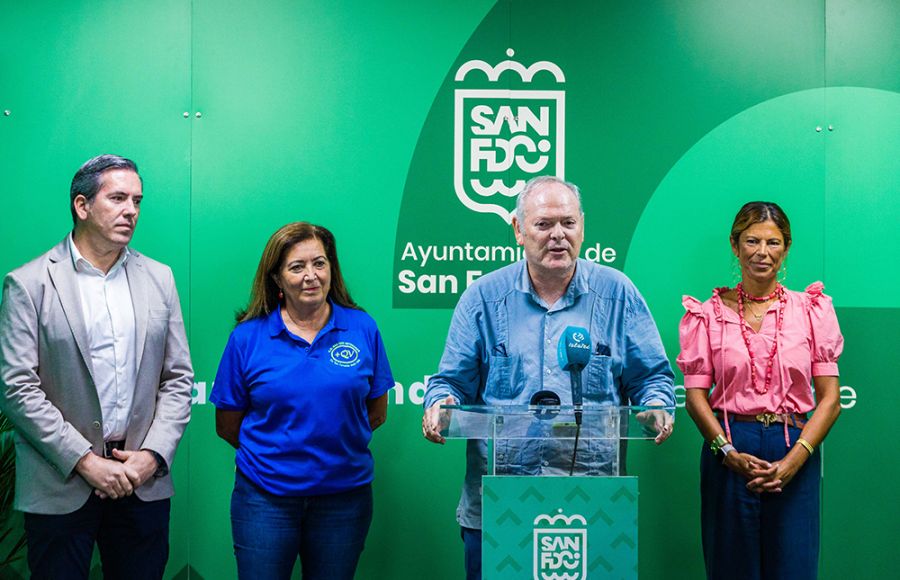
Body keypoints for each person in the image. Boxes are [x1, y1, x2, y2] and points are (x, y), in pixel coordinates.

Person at [422, 175, 676, 580]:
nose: (558, 235)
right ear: (519, 230)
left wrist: (656, 407)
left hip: (593, 503)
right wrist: (441, 404)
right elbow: (449, 383)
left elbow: (653, 380)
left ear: (582, 226)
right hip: (500, 504)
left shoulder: (618, 294)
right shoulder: (483, 299)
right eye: (543, 224)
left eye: (568, 223)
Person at [0, 154, 194, 580]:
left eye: (138, 201)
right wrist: (86, 461)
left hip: (141, 481)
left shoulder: (159, 278)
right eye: (119, 198)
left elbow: (178, 379)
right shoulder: (29, 284)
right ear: (82, 206)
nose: (131, 211)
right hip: (61, 482)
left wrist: (153, 456)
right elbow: (17, 388)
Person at [210, 222, 394, 580]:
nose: (311, 276)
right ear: (277, 278)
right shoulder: (247, 338)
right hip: (264, 499)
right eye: (297, 267)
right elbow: (228, 424)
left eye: (319, 263)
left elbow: (376, 411)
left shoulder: (362, 328)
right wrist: (276, 456)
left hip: (344, 500)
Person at [677, 202, 843, 580]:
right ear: (735, 246)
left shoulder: (810, 309)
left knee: (794, 569)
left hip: (795, 448)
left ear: (786, 248)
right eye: (751, 240)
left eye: (773, 242)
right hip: (731, 450)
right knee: (731, 569)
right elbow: (695, 398)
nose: (762, 252)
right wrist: (727, 452)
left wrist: (793, 462)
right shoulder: (708, 313)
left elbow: (830, 400)